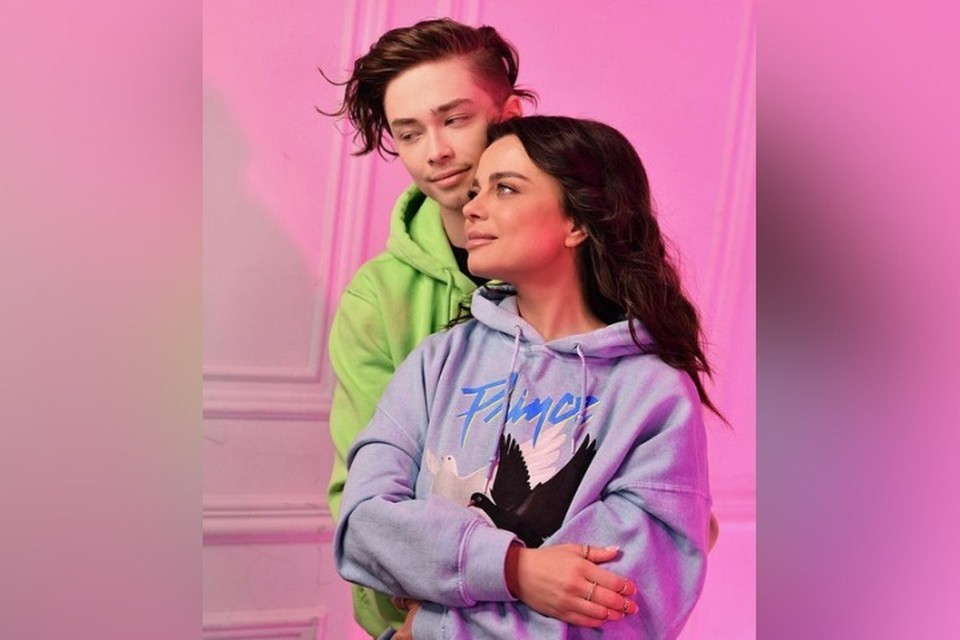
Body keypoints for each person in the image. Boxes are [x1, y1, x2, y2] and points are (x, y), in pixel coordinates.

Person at [335, 115, 718, 639]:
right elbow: (362, 527)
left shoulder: (653, 395)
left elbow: (622, 604)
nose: (472, 207)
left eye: (505, 189)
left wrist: (431, 623)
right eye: (475, 190)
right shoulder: (438, 361)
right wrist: (516, 570)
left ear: (577, 222)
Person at [322, 18, 634, 637]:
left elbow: (638, 528)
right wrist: (427, 621)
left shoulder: (605, 278)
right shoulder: (379, 300)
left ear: (508, 114)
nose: (434, 151)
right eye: (409, 133)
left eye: (455, 119)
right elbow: (365, 508)